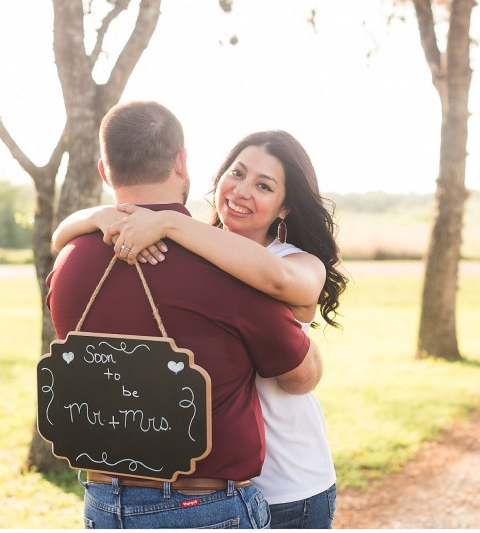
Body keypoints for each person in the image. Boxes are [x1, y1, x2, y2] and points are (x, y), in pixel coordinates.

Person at [46, 101, 323, 529]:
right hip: (201, 505)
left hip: (103, 501)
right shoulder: (228, 275)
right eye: (238, 173)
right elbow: (301, 375)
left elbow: (289, 281)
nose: (244, 190)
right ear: (182, 161)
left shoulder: (68, 262)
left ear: (105, 170)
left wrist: (134, 222)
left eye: (265, 185)